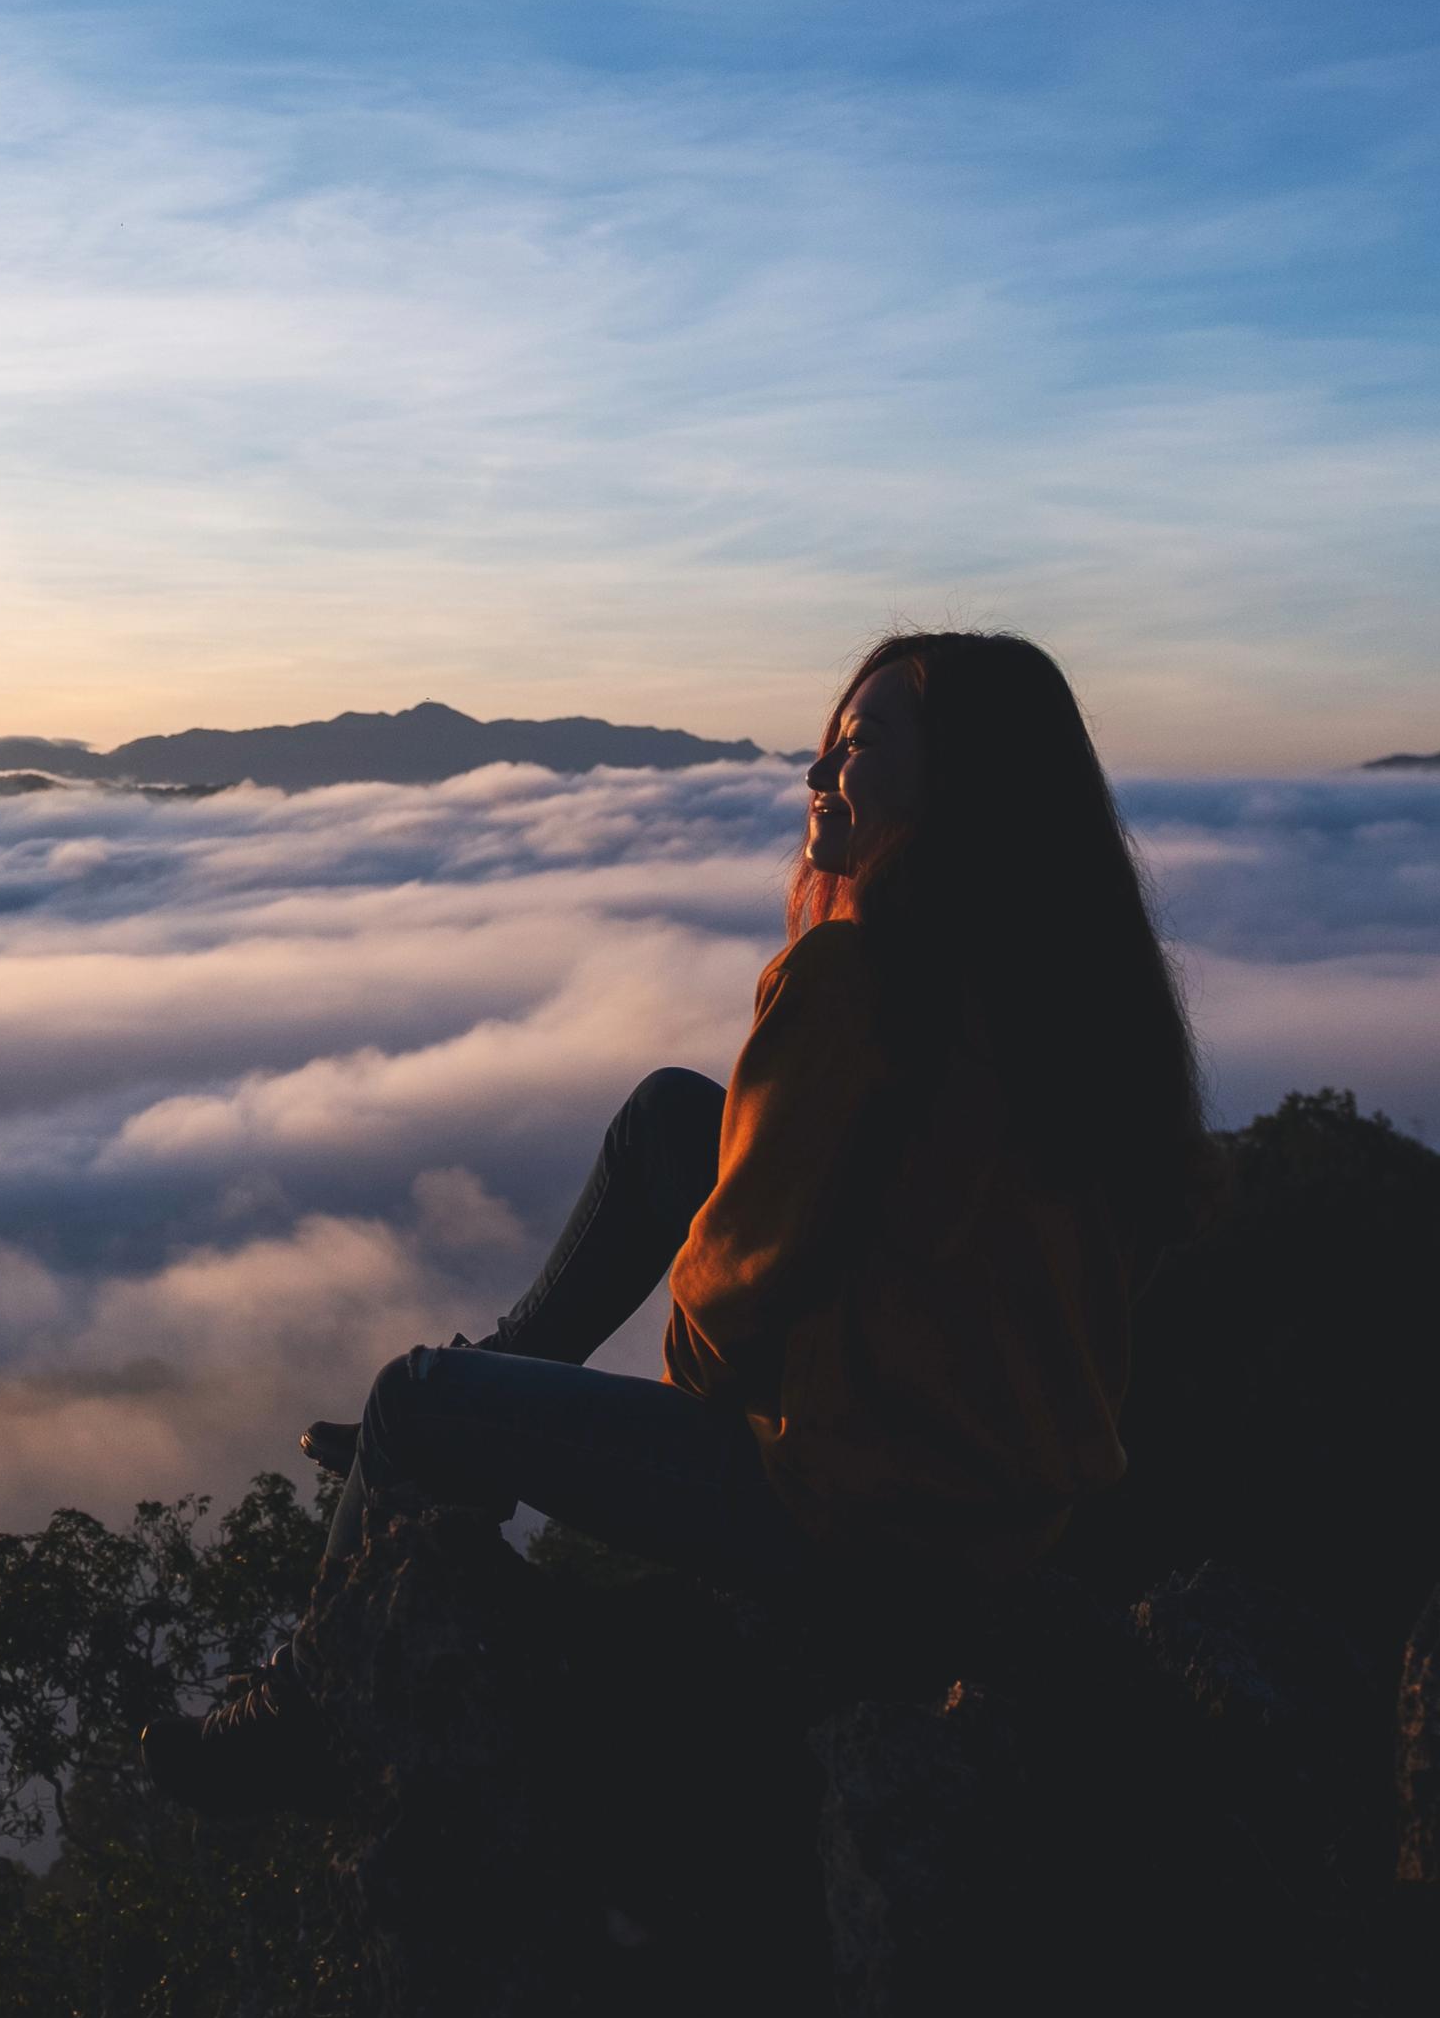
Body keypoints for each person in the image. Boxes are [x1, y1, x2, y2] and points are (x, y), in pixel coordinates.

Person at [145, 631, 1207, 1815]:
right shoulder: (1084, 997)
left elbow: (718, 1311)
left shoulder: (860, 980)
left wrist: (715, 1383)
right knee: (670, 1122)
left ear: (958, 778)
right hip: (1012, 1512)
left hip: (856, 1519)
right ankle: (499, 1379)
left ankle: (292, 1709)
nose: (817, 778)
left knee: (417, 1400)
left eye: (854, 750)